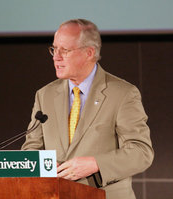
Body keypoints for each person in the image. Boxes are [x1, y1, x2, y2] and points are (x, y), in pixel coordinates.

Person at [22, 19, 153, 199]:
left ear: (89, 53)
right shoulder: (45, 95)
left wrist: (96, 164)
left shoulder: (122, 94)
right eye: (54, 49)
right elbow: (31, 149)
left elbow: (141, 152)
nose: (56, 57)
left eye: (64, 50)